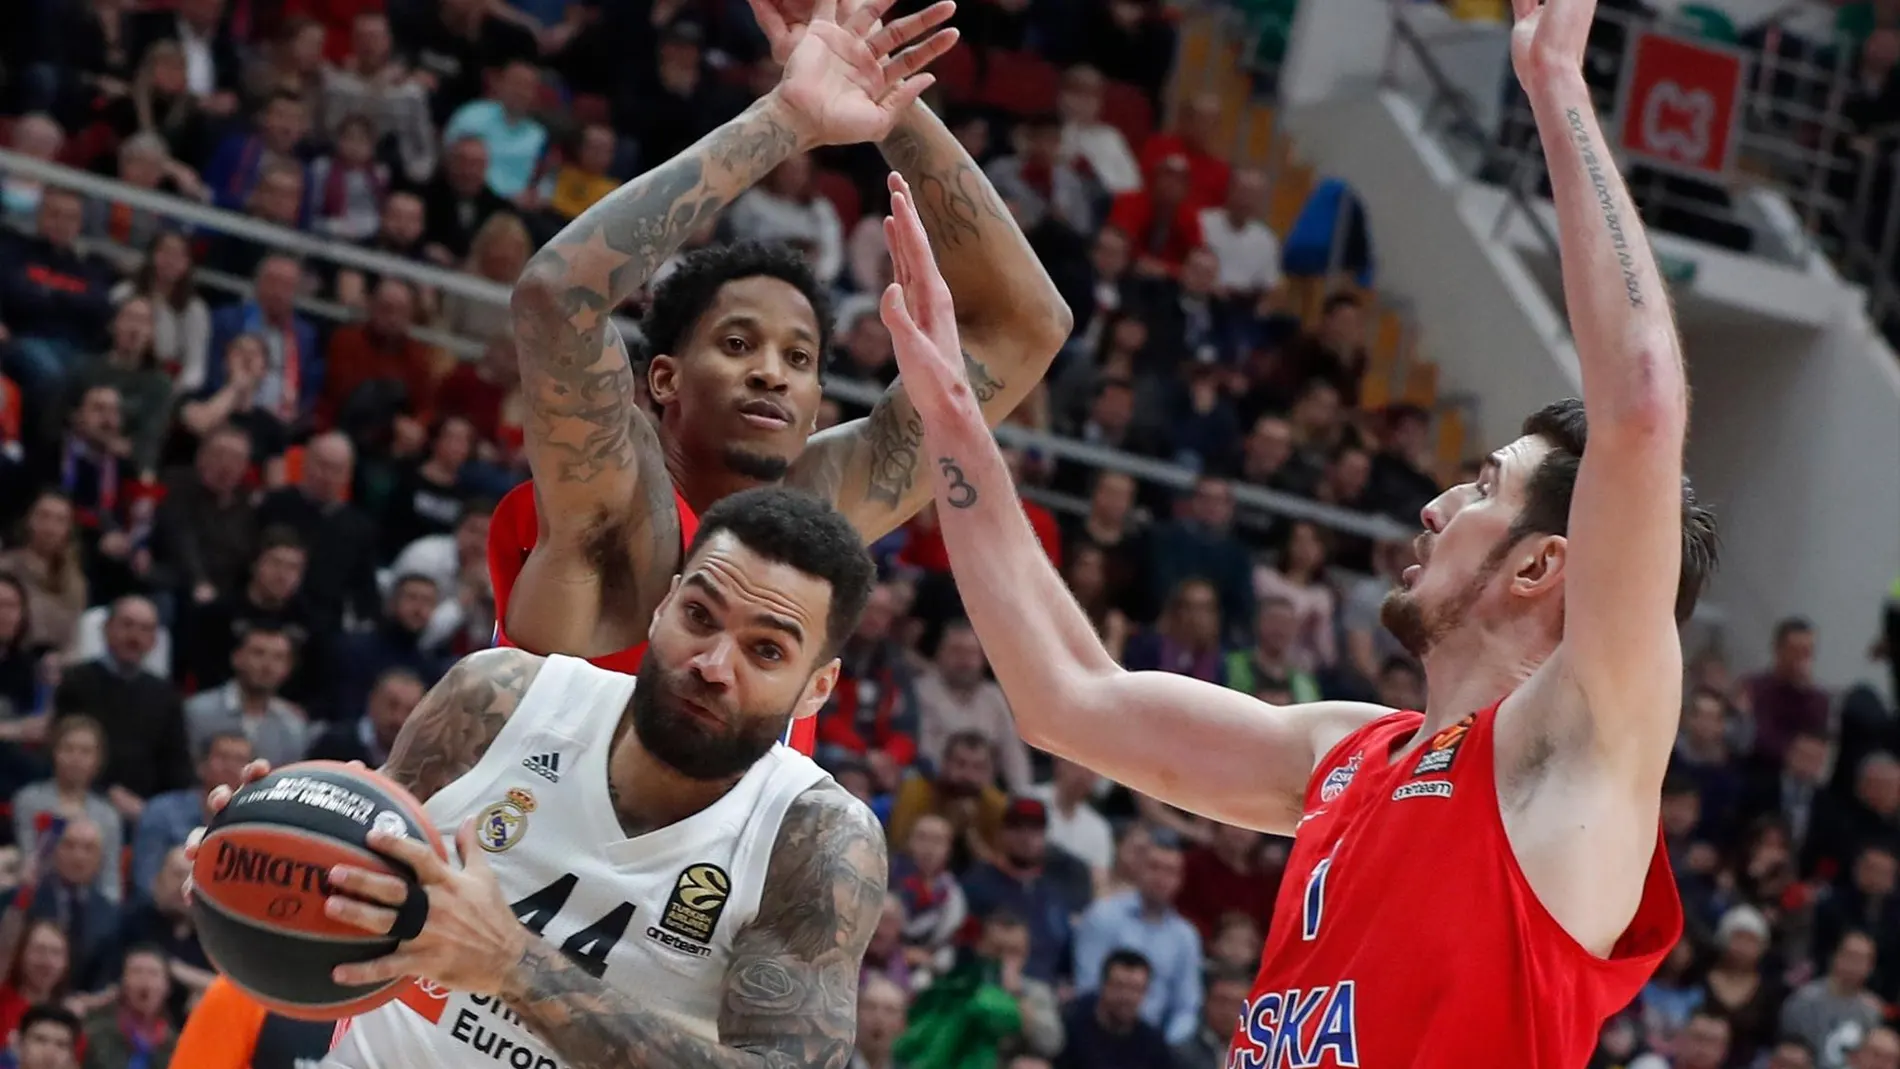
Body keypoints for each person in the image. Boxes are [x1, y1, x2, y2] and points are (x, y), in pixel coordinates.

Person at [871, 0, 1720, 1060]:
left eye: (1481, 488)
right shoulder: (1348, 750)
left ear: (1547, 562)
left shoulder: (1575, 751)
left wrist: (1554, 84)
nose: (1435, 504)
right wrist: (954, 417)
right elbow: (1066, 699)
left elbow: (1641, 406)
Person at [489, 0, 1072, 757]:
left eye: (799, 359)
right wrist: (787, 117)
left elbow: (1028, 325)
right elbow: (557, 297)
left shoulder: (817, 510)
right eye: (737, 343)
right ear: (663, 378)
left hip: (708, 878)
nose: (771, 371)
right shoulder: (612, 507)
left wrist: (885, 104)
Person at [188, 487, 887, 1069]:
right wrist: (265, 852)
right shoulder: (499, 701)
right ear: (663, 605)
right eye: (699, 616)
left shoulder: (814, 837)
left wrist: (514, 964)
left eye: (765, 650)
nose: (712, 662)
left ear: (817, 688)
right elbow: (355, 888)